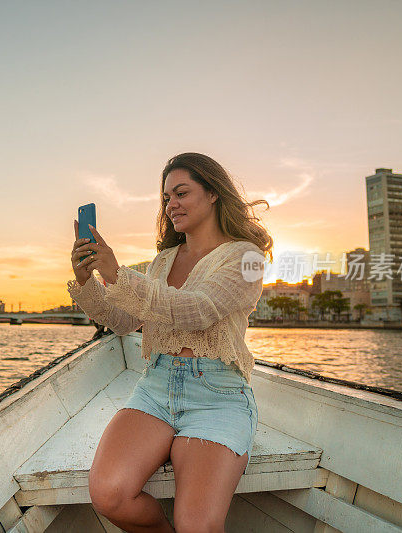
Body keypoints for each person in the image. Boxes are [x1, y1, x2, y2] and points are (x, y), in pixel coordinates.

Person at [68, 152, 273, 532]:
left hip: (218, 396)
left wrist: (119, 274)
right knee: (109, 495)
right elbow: (123, 322)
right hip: (156, 387)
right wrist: (88, 282)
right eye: (166, 198)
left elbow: (198, 310)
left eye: (181, 192)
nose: (171, 204)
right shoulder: (162, 261)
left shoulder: (247, 258)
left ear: (213, 193)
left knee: (197, 526)